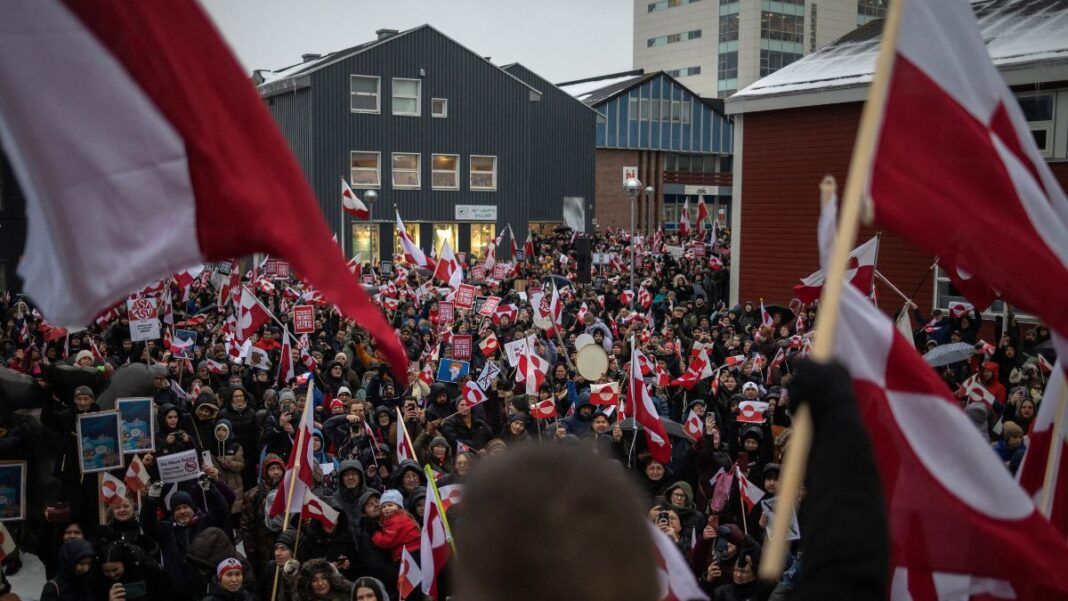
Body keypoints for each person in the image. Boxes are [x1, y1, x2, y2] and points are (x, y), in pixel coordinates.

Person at [369, 490, 420, 564]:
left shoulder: (397, 520)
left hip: (409, 554)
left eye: (390, 505)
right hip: (409, 552)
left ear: (398, 506)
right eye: (383, 506)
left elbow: (387, 542)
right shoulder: (394, 518)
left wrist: (375, 534)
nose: (386, 508)